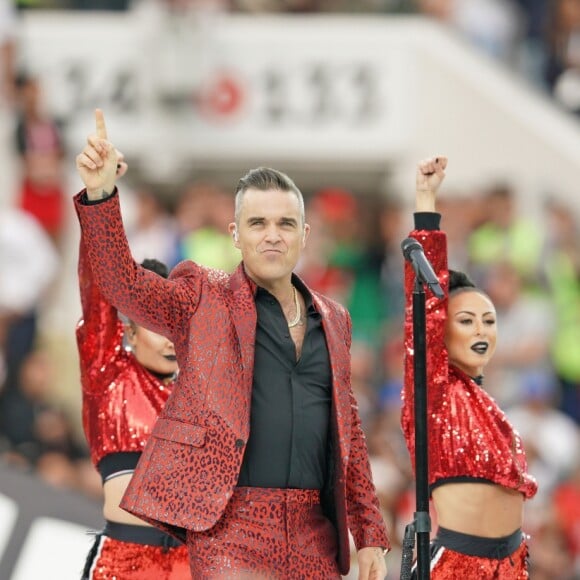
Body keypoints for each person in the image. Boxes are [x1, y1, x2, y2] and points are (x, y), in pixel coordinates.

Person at [73, 109, 390, 580]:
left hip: (314, 532)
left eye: (285, 224)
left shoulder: (335, 318)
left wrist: (369, 534)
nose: (272, 235)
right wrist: (101, 195)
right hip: (230, 528)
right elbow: (124, 285)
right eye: (257, 222)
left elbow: (350, 432)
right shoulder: (204, 296)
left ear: (305, 235)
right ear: (235, 234)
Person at [401, 156, 538, 578]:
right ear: (441, 330)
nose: (481, 329)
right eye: (465, 320)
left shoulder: (487, 403)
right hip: (459, 566)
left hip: (512, 565)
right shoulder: (436, 390)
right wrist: (426, 201)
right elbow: (423, 305)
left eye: (489, 320)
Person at [77, 203, 189, 577]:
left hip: (191, 566)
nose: (172, 339)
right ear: (130, 332)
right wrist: (100, 196)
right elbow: (98, 282)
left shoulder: (200, 392)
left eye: (178, 326)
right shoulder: (108, 374)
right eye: (159, 326)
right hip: (125, 564)